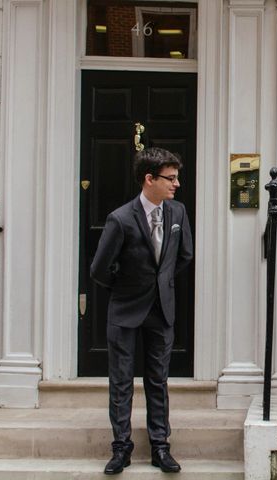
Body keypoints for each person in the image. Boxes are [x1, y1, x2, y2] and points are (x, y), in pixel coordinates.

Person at [90, 147, 193, 474]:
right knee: (121, 382)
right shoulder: (120, 218)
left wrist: (159, 283)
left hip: (161, 311)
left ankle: (160, 447)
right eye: (170, 178)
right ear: (149, 179)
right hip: (125, 311)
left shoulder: (177, 213)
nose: (176, 184)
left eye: (176, 178)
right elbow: (98, 269)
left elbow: (184, 256)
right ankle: (121, 448)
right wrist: (125, 286)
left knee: (157, 380)